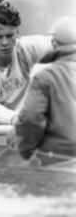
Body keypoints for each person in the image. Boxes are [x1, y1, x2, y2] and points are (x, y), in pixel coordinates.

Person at [11, 16, 76, 159]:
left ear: (53, 43)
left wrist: (25, 151)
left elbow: (30, 118)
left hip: (58, 154)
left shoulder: (45, 77)